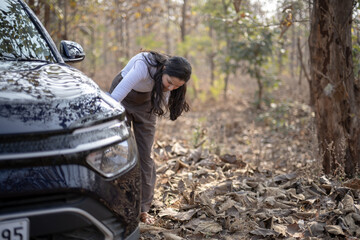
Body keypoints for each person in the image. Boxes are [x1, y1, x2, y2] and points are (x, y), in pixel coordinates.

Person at [108, 50, 192, 224]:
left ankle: (143, 209)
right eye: (169, 82)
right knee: (118, 151)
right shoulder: (143, 66)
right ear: (163, 69)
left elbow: (162, 101)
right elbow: (115, 98)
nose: (171, 88)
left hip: (147, 101)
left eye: (176, 86)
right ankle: (113, 202)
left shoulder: (169, 85)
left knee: (145, 155)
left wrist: (169, 90)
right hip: (122, 97)